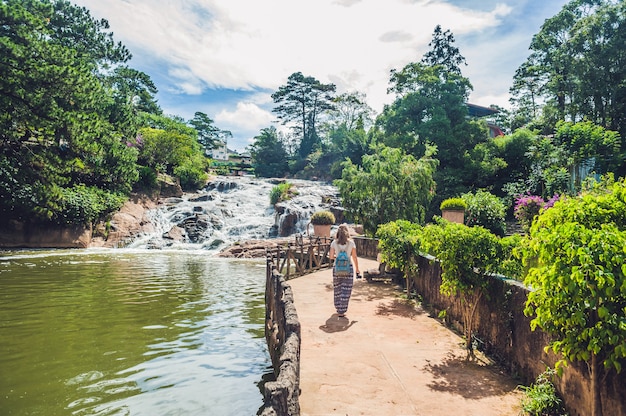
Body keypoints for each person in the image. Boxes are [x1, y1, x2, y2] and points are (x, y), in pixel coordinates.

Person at [329, 224, 360, 317]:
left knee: (337, 288)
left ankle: (338, 307)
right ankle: (342, 310)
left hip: (337, 268)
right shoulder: (351, 243)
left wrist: (338, 257)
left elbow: (331, 257)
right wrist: (357, 269)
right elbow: (354, 257)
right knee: (346, 289)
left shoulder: (334, 243)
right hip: (348, 268)